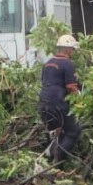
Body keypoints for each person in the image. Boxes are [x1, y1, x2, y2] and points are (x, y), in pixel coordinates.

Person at [38, 34, 82, 163]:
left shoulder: (47, 63)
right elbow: (71, 87)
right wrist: (81, 100)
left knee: (57, 132)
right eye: (72, 49)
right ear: (68, 49)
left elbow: (45, 83)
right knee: (74, 131)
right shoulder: (67, 64)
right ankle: (58, 160)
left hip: (43, 104)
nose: (73, 52)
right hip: (57, 103)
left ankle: (51, 161)